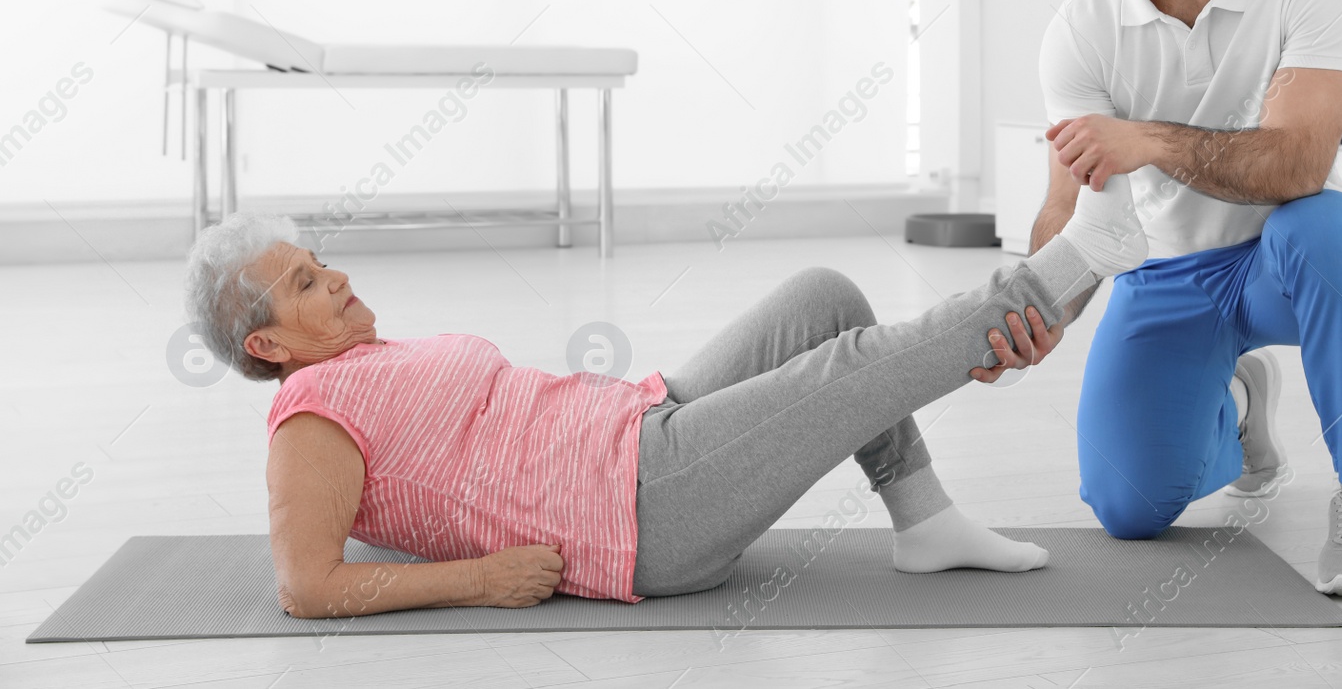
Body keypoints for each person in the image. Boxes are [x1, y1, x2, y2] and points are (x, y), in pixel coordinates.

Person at [184, 182, 1149, 617]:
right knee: (849, 363)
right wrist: (480, 579)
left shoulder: (366, 359)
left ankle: (924, 520)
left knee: (822, 298)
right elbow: (305, 584)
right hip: (641, 510)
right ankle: (1053, 275)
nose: (336, 277)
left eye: (319, 262)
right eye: (306, 284)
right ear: (265, 345)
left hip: (640, 422)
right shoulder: (307, 419)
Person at [1034, 0, 1342, 597]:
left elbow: (1299, 163)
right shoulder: (1082, 26)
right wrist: (1028, 309)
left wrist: (1152, 141)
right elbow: (1069, 200)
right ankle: (1236, 406)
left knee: (1327, 227)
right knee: (1127, 507)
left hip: (1283, 260)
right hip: (1164, 273)